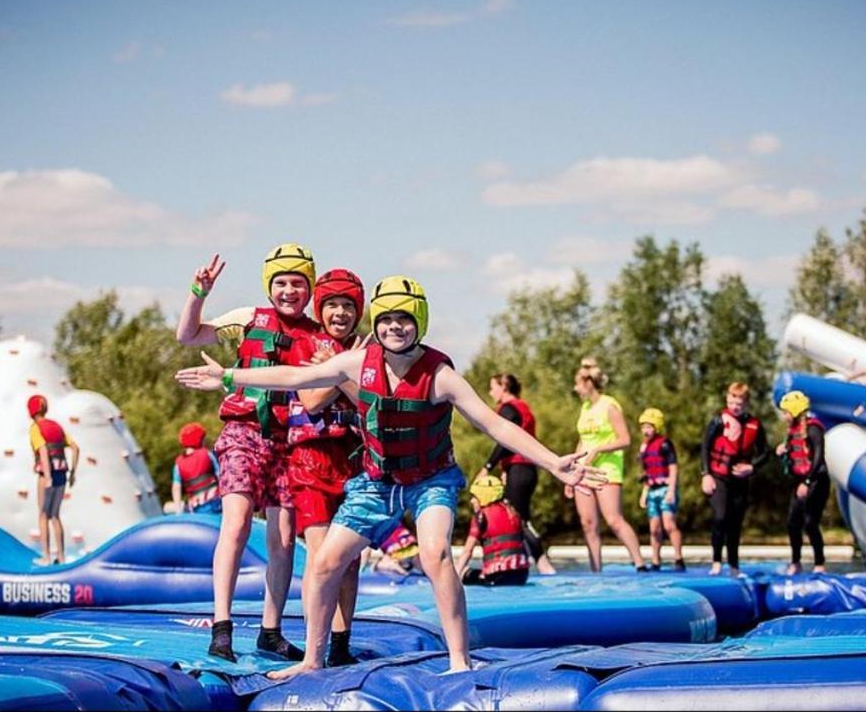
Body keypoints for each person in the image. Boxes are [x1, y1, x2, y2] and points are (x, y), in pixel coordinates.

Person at [176, 275, 607, 679]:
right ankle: (312, 660)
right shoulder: (358, 361)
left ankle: (460, 661)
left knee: (436, 553)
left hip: (430, 482)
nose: (394, 327)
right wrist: (229, 376)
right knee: (325, 563)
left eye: (403, 319)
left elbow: (495, 425)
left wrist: (553, 461)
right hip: (376, 484)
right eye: (385, 320)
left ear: (418, 322)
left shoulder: (440, 375)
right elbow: (295, 377)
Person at [175, 245, 320, 663]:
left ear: (309, 288)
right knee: (236, 523)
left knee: (284, 536)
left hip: (289, 442)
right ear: (269, 286)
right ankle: (222, 627)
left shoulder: (315, 335)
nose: (289, 291)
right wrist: (197, 292)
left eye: (297, 283)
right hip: (243, 433)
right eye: (281, 283)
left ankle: (270, 631)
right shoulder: (247, 319)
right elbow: (188, 335)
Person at [283, 267, 367, 666]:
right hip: (310, 463)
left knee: (350, 560)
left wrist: (342, 365)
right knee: (322, 560)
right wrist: (345, 369)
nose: (339, 314)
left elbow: (371, 401)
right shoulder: (304, 346)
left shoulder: (368, 351)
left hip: (352, 461)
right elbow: (313, 400)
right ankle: (314, 647)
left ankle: (340, 645)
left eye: (348, 306)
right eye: (332, 305)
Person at [571, 358, 648, 573]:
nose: (575, 389)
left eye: (577, 384)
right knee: (588, 523)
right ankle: (596, 570)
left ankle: (640, 564)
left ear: (588, 383)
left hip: (606, 470)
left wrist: (598, 450)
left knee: (614, 520)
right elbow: (582, 439)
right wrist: (571, 470)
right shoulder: (585, 408)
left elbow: (625, 439)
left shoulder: (609, 405)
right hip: (584, 471)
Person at [476, 373, 555, 574]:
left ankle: (544, 564)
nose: (491, 391)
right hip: (524, 469)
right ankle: (531, 562)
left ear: (504, 386)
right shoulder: (522, 406)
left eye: (493, 386)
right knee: (521, 517)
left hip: (520, 469)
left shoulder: (509, 409)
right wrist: (505, 469)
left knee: (517, 519)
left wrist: (487, 467)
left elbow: (505, 439)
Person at [701, 382, 770, 576]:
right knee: (720, 517)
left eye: (739, 402)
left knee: (735, 522)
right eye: (732, 401)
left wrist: (752, 467)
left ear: (746, 403)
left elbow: (765, 452)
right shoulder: (718, 422)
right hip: (718, 476)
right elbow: (705, 447)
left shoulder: (754, 424)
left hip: (740, 480)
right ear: (727, 399)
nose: (735, 406)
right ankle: (716, 562)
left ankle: (733, 565)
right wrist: (706, 474)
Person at [774, 391, 828, 575]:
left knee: (810, 522)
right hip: (800, 481)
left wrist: (807, 481)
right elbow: (795, 454)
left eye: (786, 412)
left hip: (816, 481)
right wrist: (784, 451)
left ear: (795, 411)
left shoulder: (813, 429)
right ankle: (795, 562)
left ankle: (819, 564)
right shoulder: (793, 431)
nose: (784, 416)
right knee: (792, 522)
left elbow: (818, 458)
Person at [27, 394, 79, 566]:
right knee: (55, 516)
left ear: (31, 411)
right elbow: (75, 448)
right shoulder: (56, 427)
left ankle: (47, 558)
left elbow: (42, 452)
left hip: (46, 476)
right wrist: (72, 473)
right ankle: (62, 557)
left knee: (43, 515)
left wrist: (47, 477)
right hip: (62, 474)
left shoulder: (36, 429)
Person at [455, 475, 531, 586]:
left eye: (475, 496)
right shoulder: (513, 513)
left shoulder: (480, 516)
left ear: (483, 496)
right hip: (522, 575)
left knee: (463, 572)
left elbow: (468, 551)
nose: (472, 501)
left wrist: (455, 576)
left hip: (496, 577)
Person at [636, 408, 683, 571]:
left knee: (669, 524)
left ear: (657, 427)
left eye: (649, 427)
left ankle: (678, 558)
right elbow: (646, 472)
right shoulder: (644, 447)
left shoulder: (665, 444)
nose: (645, 431)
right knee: (653, 528)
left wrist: (671, 490)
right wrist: (644, 493)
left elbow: (673, 468)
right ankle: (656, 560)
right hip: (652, 490)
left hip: (665, 489)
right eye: (643, 427)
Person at [172, 422, 221, 515]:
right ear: (198, 440)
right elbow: (220, 474)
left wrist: (178, 510)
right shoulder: (206, 454)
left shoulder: (178, 463)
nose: (204, 442)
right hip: (216, 502)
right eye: (203, 439)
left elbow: (176, 487)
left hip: (195, 507)